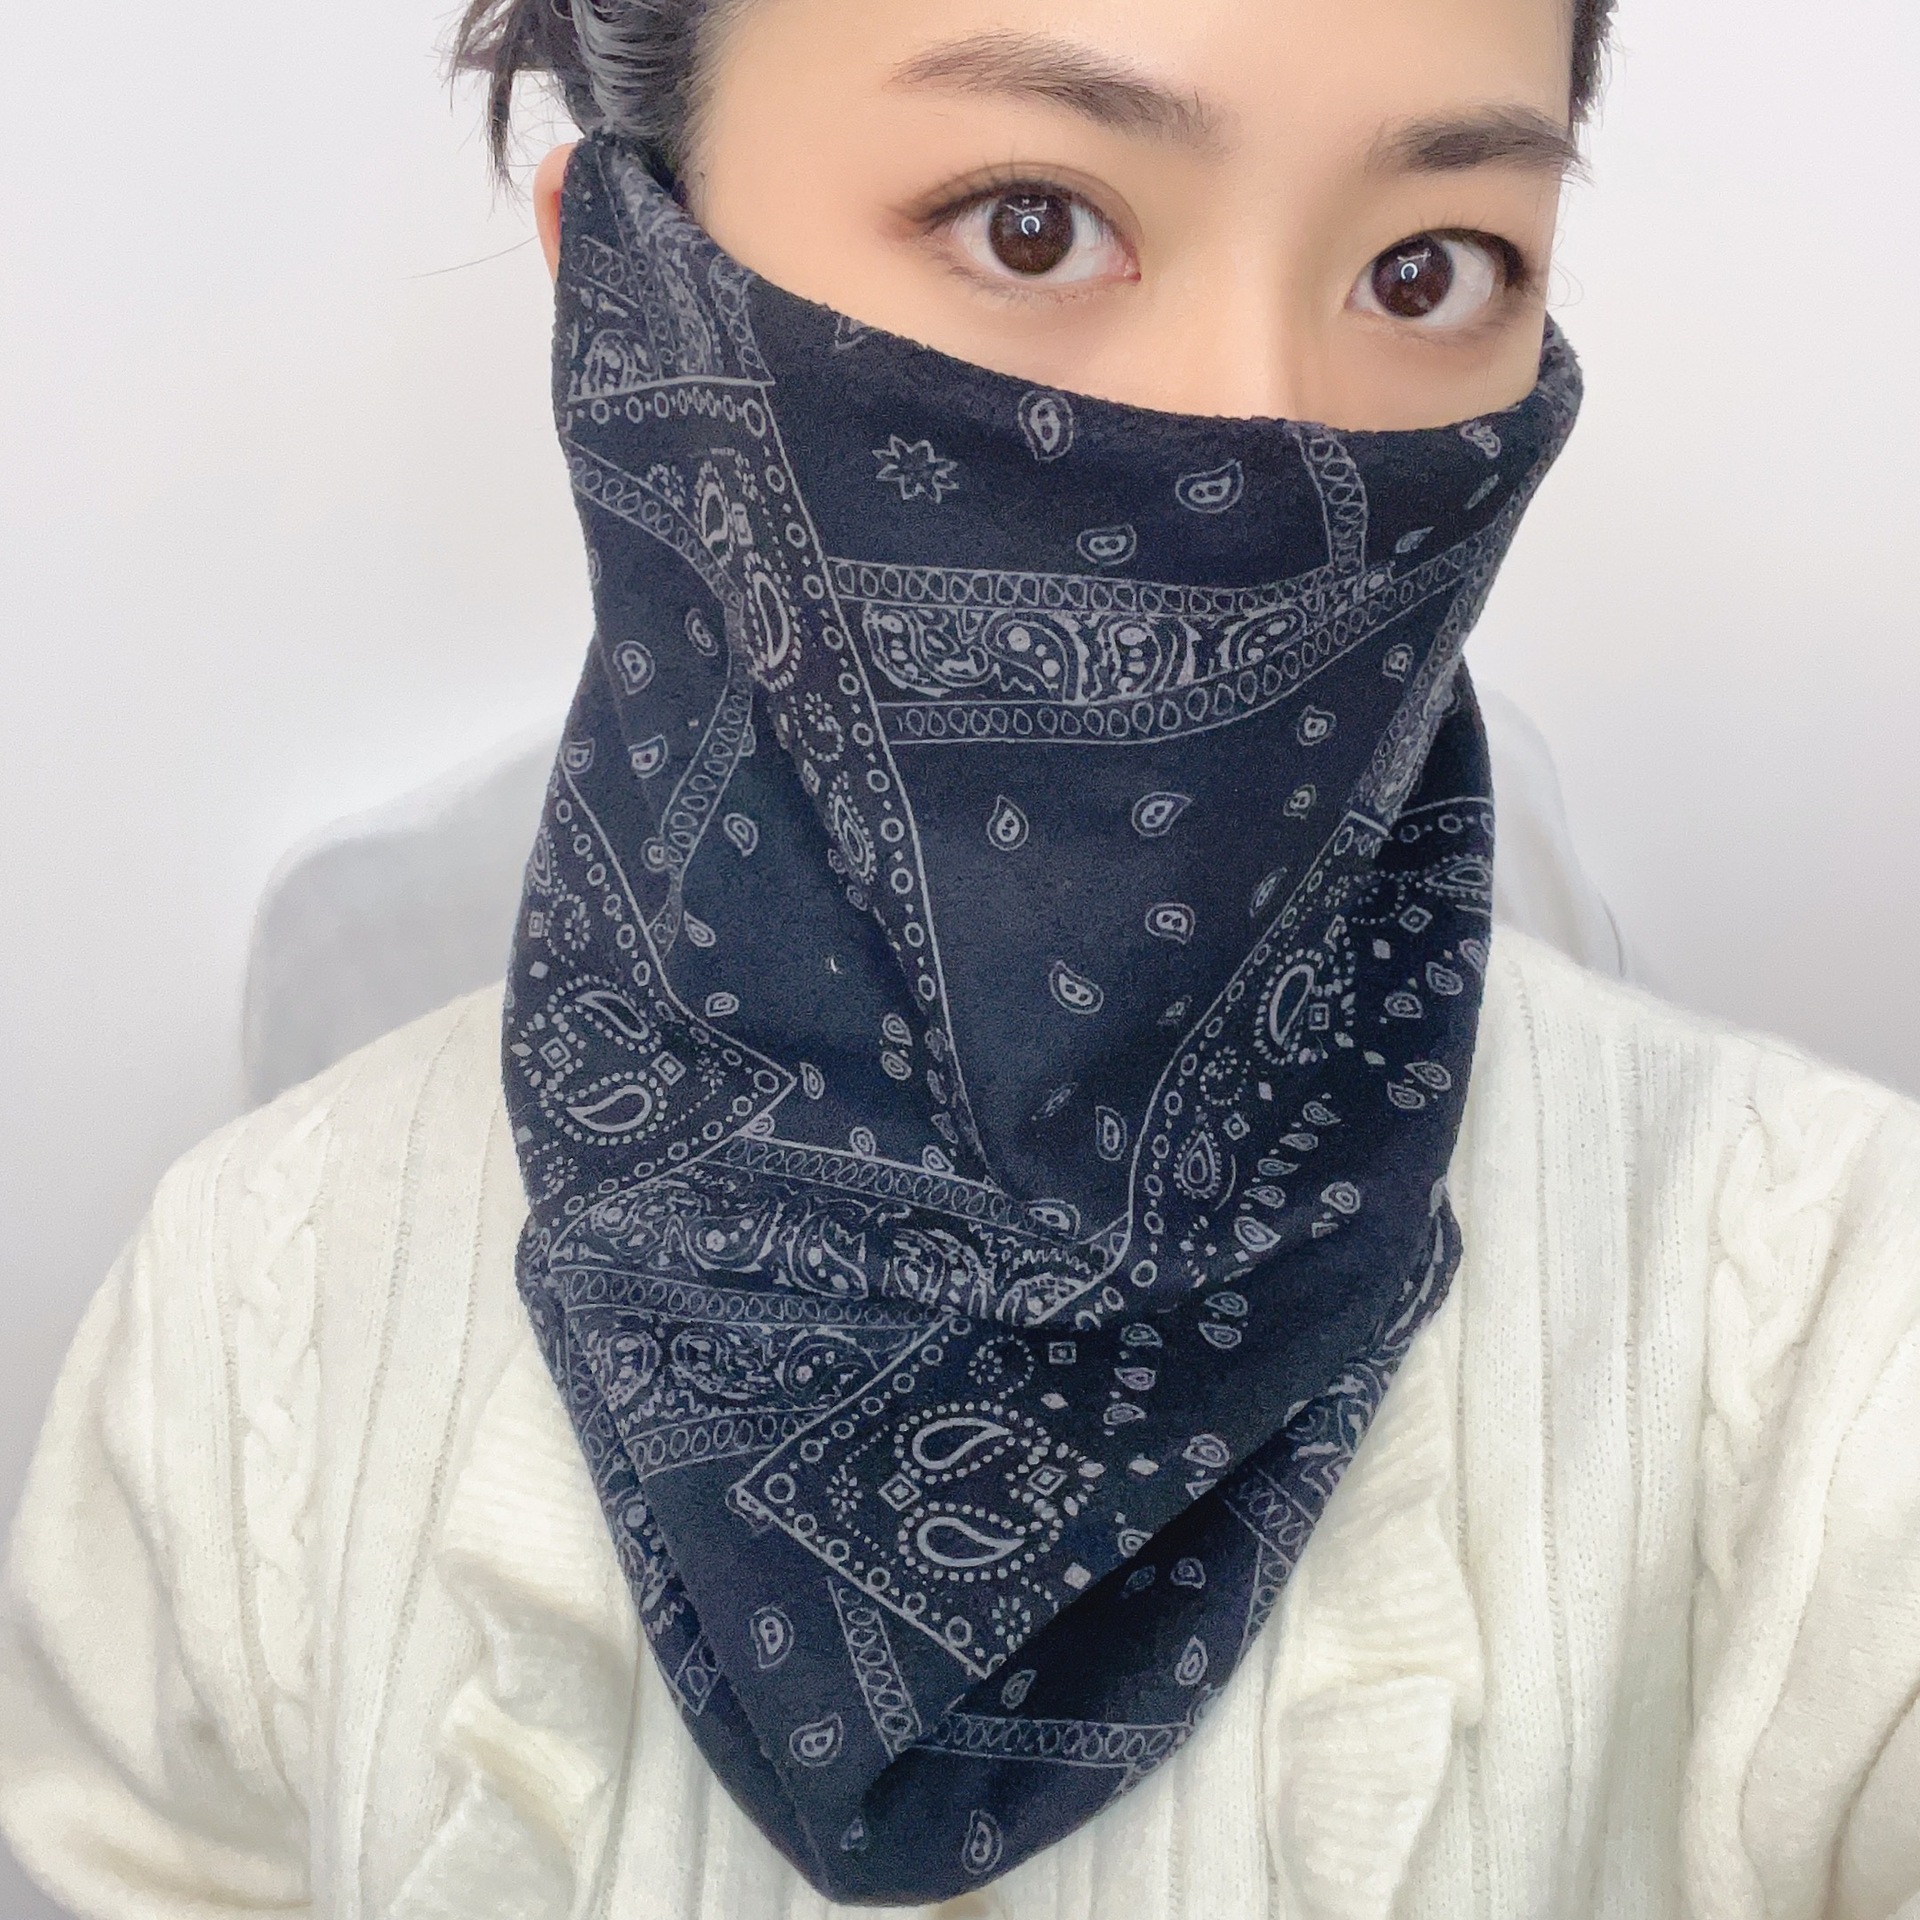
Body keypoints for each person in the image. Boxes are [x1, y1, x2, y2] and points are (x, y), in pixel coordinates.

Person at [2, 0, 1917, 1914]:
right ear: (623, 283)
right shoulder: (252, 1321)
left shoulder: (1830, 1339)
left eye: (1428, 269)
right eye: (1032, 223)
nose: (1259, 432)